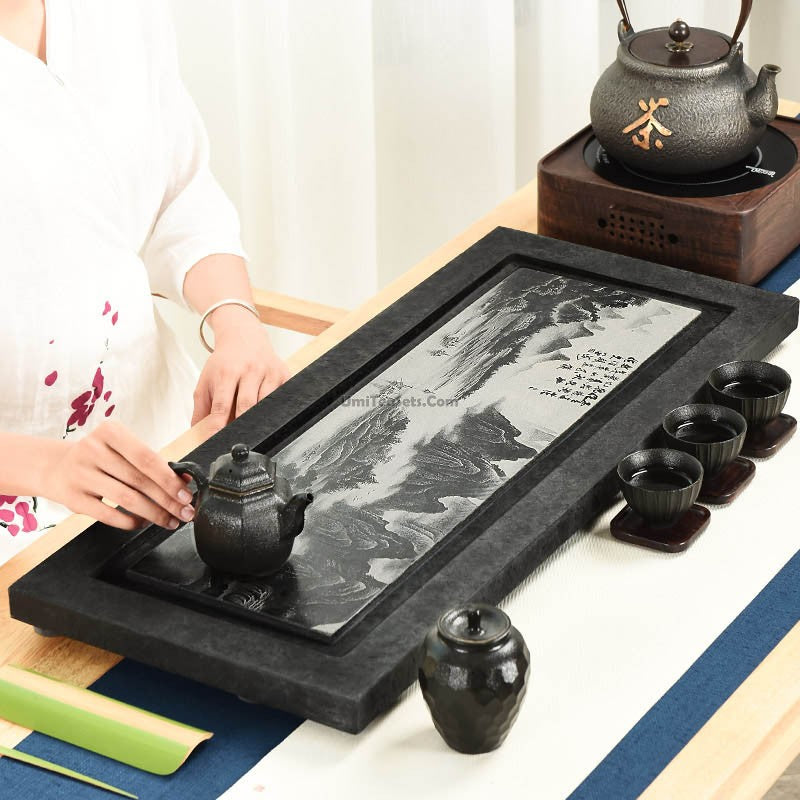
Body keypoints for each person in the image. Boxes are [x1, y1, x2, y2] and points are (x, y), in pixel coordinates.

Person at [0, 0, 288, 565]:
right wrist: (46, 465)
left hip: (168, 451)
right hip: (21, 521)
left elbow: (178, 194)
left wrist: (236, 325)